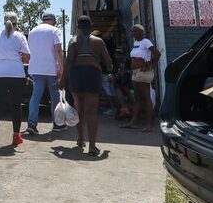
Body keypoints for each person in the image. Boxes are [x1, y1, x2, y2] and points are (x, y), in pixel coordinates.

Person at [59, 15, 113, 157]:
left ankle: (81, 139)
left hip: (76, 75)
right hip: (92, 74)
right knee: (91, 111)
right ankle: (92, 147)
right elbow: (108, 63)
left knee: (79, 109)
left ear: (78, 27)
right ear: (91, 26)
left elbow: (69, 62)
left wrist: (62, 81)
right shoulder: (98, 41)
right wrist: (108, 67)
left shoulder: (73, 41)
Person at [0, 12, 31, 151]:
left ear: (4, 22)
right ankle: (16, 136)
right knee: (16, 105)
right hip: (16, 74)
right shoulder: (20, 36)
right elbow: (27, 58)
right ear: (16, 23)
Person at [25, 11, 64, 135]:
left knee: (36, 96)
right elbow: (58, 50)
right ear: (53, 20)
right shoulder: (54, 30)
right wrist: (61, 69)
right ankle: (57, 124)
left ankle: (32, 123)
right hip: (51, 69)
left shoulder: (32, 31)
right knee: (54, 96)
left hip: (36, 69)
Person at [120, 24, 161, 132]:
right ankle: (133, 122)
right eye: (132, 31)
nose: (133, 33)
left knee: (146, 98)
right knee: (137, 99)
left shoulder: (146, 41)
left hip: (143, 73)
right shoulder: (136, 43)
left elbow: (157, 53)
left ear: (142, 32)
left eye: (136, 31)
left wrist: (152, 64)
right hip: (135, 72)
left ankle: (150, 125)